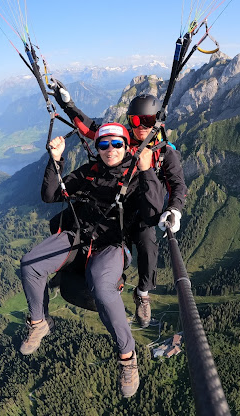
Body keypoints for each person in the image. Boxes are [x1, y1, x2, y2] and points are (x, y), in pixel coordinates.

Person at [19, 123, 162, 398]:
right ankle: (39, 323)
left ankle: (127, 357)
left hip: (112, 244)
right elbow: (50, 195)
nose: (110, 150)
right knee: (30, 264)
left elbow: (153, 214)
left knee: (101, 285)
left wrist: (146, 172)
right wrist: (55, 160)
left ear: (126, 145)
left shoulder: (136, 173)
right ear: (97, 149)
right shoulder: (90, 172)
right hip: (78, 236)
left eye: (117, 144)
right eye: (104, 145)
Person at [49, 81, 186, 327]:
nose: (142, 127)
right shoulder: (121, 139)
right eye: (136, 121)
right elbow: (90, 128)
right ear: (130, 121)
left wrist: (174, 208)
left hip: (142, 212)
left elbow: (177, 185)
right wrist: (67, 104)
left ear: (158, 121)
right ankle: (74, 269)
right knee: (79, 226)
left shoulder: (165, 153)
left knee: (147, 244)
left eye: (148, 120)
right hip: (112, 210)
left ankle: (143, 293)